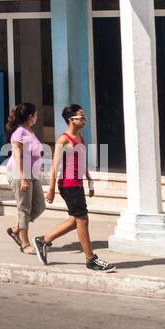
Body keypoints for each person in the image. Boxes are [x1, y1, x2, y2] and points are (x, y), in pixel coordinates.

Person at [35, 105, 114, 272]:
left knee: (75, 220)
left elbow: (81, 161)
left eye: (84, 116)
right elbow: (54, 166)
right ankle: (90, 259)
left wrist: (89, 179)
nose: (84, 120)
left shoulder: (80, 137)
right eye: (81, 117)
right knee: (82, 219)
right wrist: (51, 190)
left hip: (77, 182)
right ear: (71, 120)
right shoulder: (63, 140)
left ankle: (43, 240)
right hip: (68, 184)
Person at [4, 102, 45, 254]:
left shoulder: (30, 131)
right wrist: (22, 178)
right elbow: (17, 156)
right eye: (35, 115)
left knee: (39, 206)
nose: (36, 117)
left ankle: (16, 229)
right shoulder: (19, 133)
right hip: (19, 174)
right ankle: (25, 243)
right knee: (24, 208)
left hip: (32, 174)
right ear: (30, 117)